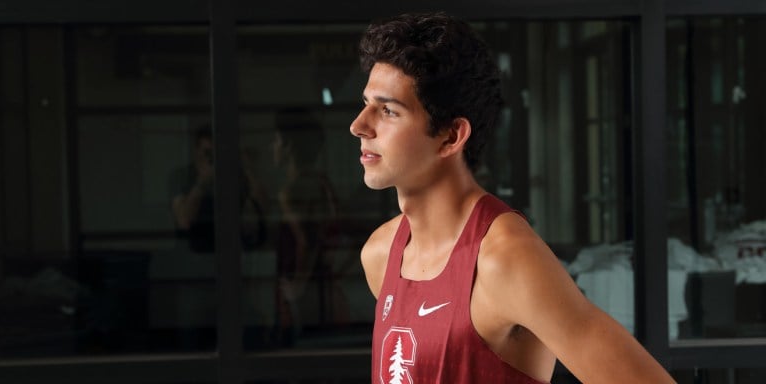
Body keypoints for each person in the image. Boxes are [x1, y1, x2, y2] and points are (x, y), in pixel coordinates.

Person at [349, 12, 676, 384]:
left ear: (451, 136)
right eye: (366, 103)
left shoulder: (505, 257)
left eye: (389, 110)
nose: (359, 125)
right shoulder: (381, 253)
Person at [272, 108, 340, 344]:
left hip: (302, 284)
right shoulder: (321, 182)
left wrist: (298, 285)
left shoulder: (290, 191)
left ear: (288, 145)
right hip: (321, 281)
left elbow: (307, 241)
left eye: (276, 140)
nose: (273, 146)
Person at [170, 125, 267, 253]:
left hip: (232, 252)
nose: (212, 159)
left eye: (217, 153)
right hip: (194, 254)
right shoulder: (182, 176)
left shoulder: (234, 175)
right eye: (207, 153)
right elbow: (184, 221)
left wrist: (248, 169)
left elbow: (263, 210)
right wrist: (202, 182)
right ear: (196, 151)